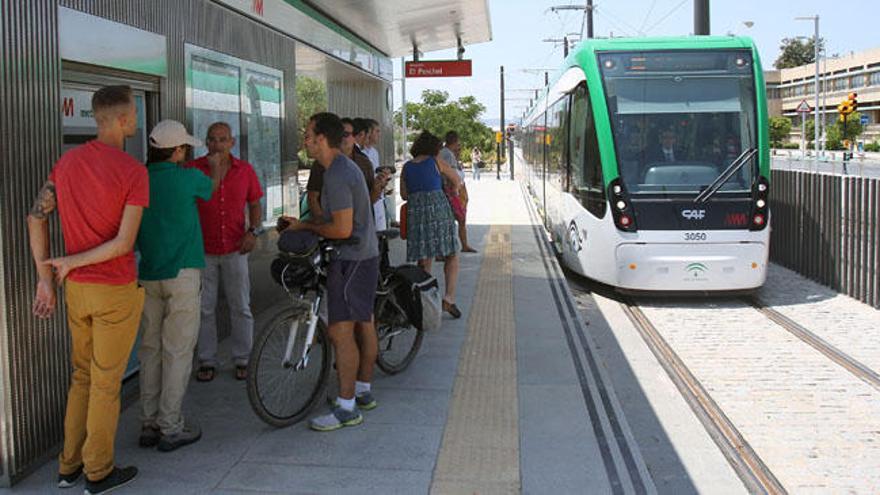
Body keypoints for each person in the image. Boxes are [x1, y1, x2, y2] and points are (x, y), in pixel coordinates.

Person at [27, 85, 146, 493]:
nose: (134, 120)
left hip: (76, 291)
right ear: (120, 120)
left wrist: (48, 277)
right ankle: (98, 472)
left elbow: (34, 217)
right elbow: (123, 244)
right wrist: (67, 263)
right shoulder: (133, 171)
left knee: (82, 376)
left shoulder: (66, 162)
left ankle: (68, 466)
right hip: (113, 288)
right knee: (106, 382)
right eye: (132, 114)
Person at [278, 112, 380, 432]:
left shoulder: (336, 173)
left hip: (352, 260)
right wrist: (305, 224)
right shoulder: (336, 168)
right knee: (358, 327)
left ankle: (347, 408)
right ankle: (359, 392)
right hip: (360, 257)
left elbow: (341, 228)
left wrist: (306, 225)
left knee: (340, 333)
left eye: (308, 135)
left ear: (322, 139)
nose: (304, 140)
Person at [135, 120, 219, 453]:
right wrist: (212, 165)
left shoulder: (138, 179)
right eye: (185, 147)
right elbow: (211, 188)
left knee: (150, 349)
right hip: (183, 272)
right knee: (178, 351)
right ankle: (171, 426)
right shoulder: (189, 178)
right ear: (178, 150)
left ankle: (148, 422)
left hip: (148, 272)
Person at [188, 122, 263, 382]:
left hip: (235, 249)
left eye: (222, 139)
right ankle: (207, 360)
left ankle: (243, 358)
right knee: (204, 308)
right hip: (202, 251)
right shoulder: (193, 170)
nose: (217, 144)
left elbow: (255, 204)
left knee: (240, 306)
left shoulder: (245, 171)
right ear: (206, 142)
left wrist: (253, 231)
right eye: (212, 139)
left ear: (231, 142)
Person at [400, 131, 464, 318]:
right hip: (439, 212)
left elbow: (404, 195)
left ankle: (425, 302)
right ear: (433, 149)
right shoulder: (436, 162)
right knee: (451, 253)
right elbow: (457, 180)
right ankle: (448, 299)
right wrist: (451, 188)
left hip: (417, 216)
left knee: (425, 259)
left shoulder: (407, 167)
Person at [306, 118, 389, 219]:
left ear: (355, 137)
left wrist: (378, 188)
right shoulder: (321, 164)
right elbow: (312, 198)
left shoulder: (364, 163)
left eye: (346, 134)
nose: (342, 138)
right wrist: (321, 223)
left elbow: (368, 200)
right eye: (339, 134)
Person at [439, 131, 477, 253]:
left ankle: (457, 246)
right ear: (455, 142)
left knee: (453, 220)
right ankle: (459, 246)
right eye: (458, 143)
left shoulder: (446, 153)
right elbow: (451, 175)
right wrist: (455, 190)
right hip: (452, 192)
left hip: (452, 191)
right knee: (459, 219)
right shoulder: (448, 155)